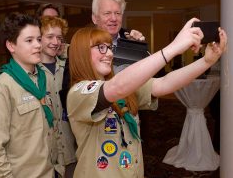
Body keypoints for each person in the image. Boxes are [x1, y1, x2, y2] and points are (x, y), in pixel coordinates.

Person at [66, 18, 227, 177]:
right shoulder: (78, 92)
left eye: (109, 47)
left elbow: (163, 83)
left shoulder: (121, 88)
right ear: (82, 53)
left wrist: (206, 62)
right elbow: (116, 87)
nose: (108, 53)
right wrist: (175, 47)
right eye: (101, 47)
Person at [0, 13, 63, 177]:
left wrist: (59, 167)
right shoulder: (2, 88)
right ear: (11, 46)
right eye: (29, 40)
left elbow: (52, 127)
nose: (37, 45)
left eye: (39, 39)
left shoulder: (42, 78)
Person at [39, 16, 77, 178]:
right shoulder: (31, 74)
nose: (55, 42)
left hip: (72, 151)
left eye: (59, 38)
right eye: (49, 37)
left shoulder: (69, 68)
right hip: (45, 157)